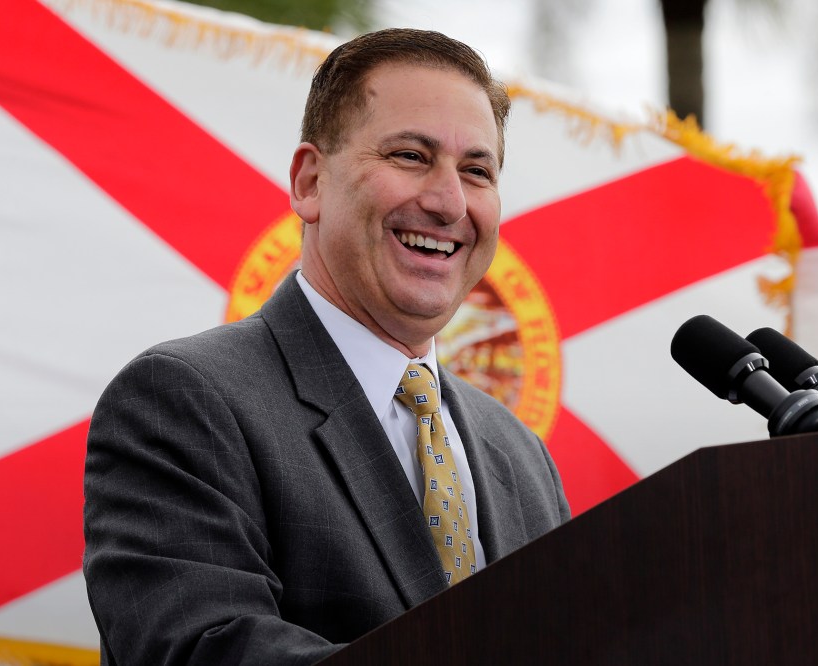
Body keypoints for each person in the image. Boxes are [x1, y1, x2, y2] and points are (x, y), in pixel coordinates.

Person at [83, 27, 570, 665]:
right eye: (410, 156)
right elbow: (204, 649)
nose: (450, 202)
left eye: (477, 171)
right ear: (310, 182)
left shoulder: (520, 453)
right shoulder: (184, 400)